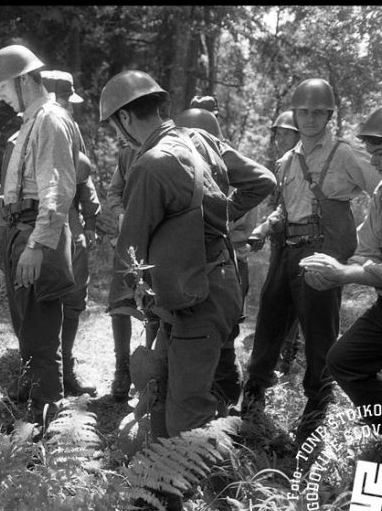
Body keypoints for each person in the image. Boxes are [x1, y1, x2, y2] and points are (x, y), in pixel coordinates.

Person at [100, 70, 275, 439]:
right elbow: (263, 181)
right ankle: (166, 485)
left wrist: (124, 302)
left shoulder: (149, 165)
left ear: (126, 118)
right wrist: (218, 219)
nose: (119, 136)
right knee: (165, 394)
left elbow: (130, 245)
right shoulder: (202, 138)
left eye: (116, 126)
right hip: (213, 286)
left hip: (197, 298)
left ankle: (206, 490)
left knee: (185, 414)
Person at [242, 78, 380, 441]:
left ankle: (315, 412)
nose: (311, 119)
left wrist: (371, 240)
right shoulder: (286, 160)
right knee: (269, 323)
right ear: (295, 113)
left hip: (320, 253)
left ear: (330, 115)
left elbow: (381, 189)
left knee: (319, 333)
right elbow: (285, 209)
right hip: (286, 251)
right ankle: (252, 399)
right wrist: (264, 228)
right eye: (304, 112)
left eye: (319, 112)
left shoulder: (343, 154)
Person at [300, 104, 382, 453]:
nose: (373, 162)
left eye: (380, 152)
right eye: (370, 153)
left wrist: (345, 274)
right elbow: (368, 250)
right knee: (344, 361)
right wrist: (335, 271)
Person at [0, 44, 80, 425]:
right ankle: (34, 402)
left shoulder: (49, 120)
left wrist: (38, 243)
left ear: (24, 79)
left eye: (3, 86)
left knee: (41, 331)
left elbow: (58, 188)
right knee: (26, 324)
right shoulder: (31, 121)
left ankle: (46, 420)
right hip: (19, 231)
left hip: (34, 234)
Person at [173, 106, 275, 412]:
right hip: (201, 265)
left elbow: (263, 181)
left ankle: (227, 410)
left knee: (222, 343)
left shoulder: (217, 158)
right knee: (208, 344)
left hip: (221, 266)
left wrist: (223, 214)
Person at [41, 70, 100, 397]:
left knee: (73, 301)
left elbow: (83, 177)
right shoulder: (32, 128)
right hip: (43, 226)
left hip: (70, 224)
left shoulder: (70, 128)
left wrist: (89, 221)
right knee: (43, 302)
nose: (70, 106)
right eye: (65, 99)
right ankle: (39, 372)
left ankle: (66, 368)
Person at [249, 110, 304, 375]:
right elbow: (279, 204)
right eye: (277, 133)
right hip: (281, 239)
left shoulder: (309, 163)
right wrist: (266, 229)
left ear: (299, 134)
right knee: (274, 296)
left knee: (295, 298)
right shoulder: (283, 163)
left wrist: (266, 226)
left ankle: (289, 349)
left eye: (284, 133)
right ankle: (270, 359)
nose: (278, 139)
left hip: (303, 241)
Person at [106, 143, 159, 402]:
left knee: (155, 309)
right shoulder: (128, 152)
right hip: (127, 241)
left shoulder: (167, 148)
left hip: (158, 241)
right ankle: (123, 369)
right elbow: (114, 192)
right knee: (119, 304)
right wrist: (122, 215)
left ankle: (151, 374)